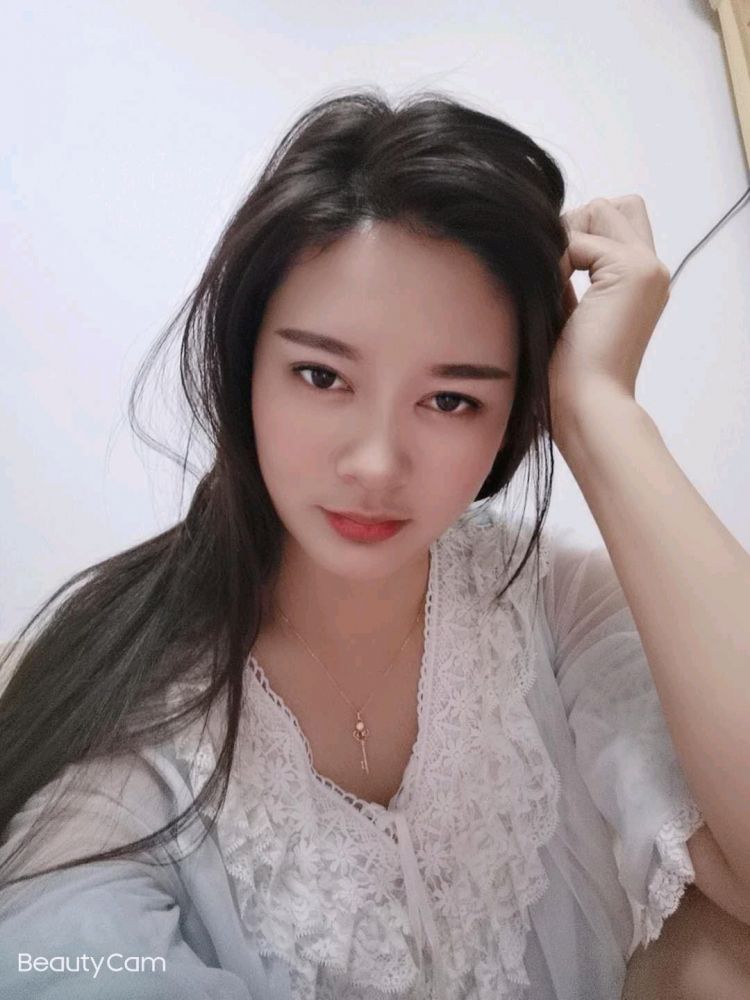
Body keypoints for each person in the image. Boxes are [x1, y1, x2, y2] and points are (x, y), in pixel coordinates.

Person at [1, 88, 749, 1000]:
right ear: (244, 368)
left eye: (452, 399)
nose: (376, 463)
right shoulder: (129, 691)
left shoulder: (551, 607)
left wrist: (601, 414)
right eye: (322, 376)